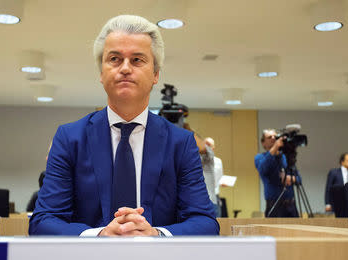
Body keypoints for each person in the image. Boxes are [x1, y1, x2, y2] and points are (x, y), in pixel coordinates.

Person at [29, 15, 218, 236]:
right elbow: (43, 221)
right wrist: (98, 236)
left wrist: (157, 235)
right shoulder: (70, 138)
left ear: (156, 74)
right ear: (101, 72)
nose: (125, 68)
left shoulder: (181, 143)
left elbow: (205, 222)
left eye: (137, 60)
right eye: (115, 59)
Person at [255, 129, 299, 217]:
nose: (273, 138)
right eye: (269, 137)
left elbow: (299, 179)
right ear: (263, 143)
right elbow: (263, 169)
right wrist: (275, 148)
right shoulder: (260, 157)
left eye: (275, 136)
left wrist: (291, 178)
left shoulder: (285, 157)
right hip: (274, 205)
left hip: (291, 205)